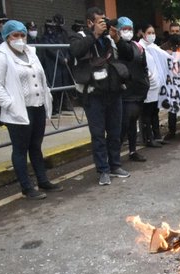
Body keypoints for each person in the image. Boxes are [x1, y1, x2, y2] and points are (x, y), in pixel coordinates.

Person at [0, 20, 62, 199]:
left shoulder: (31, 53)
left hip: (37, 106)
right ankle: (26, 187)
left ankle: (43, 180)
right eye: (15, 35)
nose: (20, 39)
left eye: (22, 35)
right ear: (7, 37)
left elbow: (41, 77)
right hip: (19, 110)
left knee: (36, 146)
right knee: (20, 149)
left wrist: (47, 97)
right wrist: (10, 105)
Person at [69, 7, 134, 186]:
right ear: (90, 23)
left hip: (114, 92)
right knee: (98, 134)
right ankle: (103, 170)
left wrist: (116, 38)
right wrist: (94, 35)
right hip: (93, 95)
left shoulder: (109, 39)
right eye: (99, 21)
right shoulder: (79, 36)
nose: (103, 24)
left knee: (115, 131)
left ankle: (115, 165)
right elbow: (75, 51)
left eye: (104, 21)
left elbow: (128, 56)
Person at [117, 17, 150, 162]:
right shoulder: (115, 46)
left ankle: (132, 151)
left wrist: (145, 83)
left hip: (138, 90)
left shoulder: (138, 47)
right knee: (122, 125)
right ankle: (114, 156)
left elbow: (144, 67)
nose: (128, 32)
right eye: (124, 29)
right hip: (124, 91)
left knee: (132, 123)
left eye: (130, 29)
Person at [160, 22, 180, 140]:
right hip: (172, 83)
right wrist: (165, 54)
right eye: (172, 31)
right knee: (172, 107)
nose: (175, 33)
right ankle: (172, 131)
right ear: (169, 32)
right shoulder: (163, 48)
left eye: (177, 31)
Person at [139, 24, 165, 148]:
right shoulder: (140, 47)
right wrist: (149, 76)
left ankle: (157, 136)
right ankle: (148, 138)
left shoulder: (154, 47)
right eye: (149, 32)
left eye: (153, 32)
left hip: (156, 86)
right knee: (147, 113)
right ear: (142, 33)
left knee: (155, 111)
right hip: (147, 86)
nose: (151, 35)